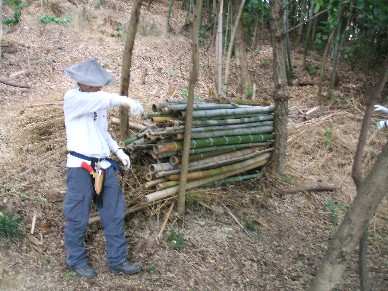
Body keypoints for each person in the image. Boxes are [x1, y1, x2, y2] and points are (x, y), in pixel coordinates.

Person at [63, 58, 143, 278]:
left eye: (99, 83)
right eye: (94, 83)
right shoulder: (73, 98)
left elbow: (103, 132)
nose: (98, 86)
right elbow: (103, 99)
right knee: (77, 216)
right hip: (80, 165)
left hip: (104, 165)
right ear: (82, 82)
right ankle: (76, 260)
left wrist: (118, 151)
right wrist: (125, 100)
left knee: (114, 213)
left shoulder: (98, 102)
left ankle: (118, 260)